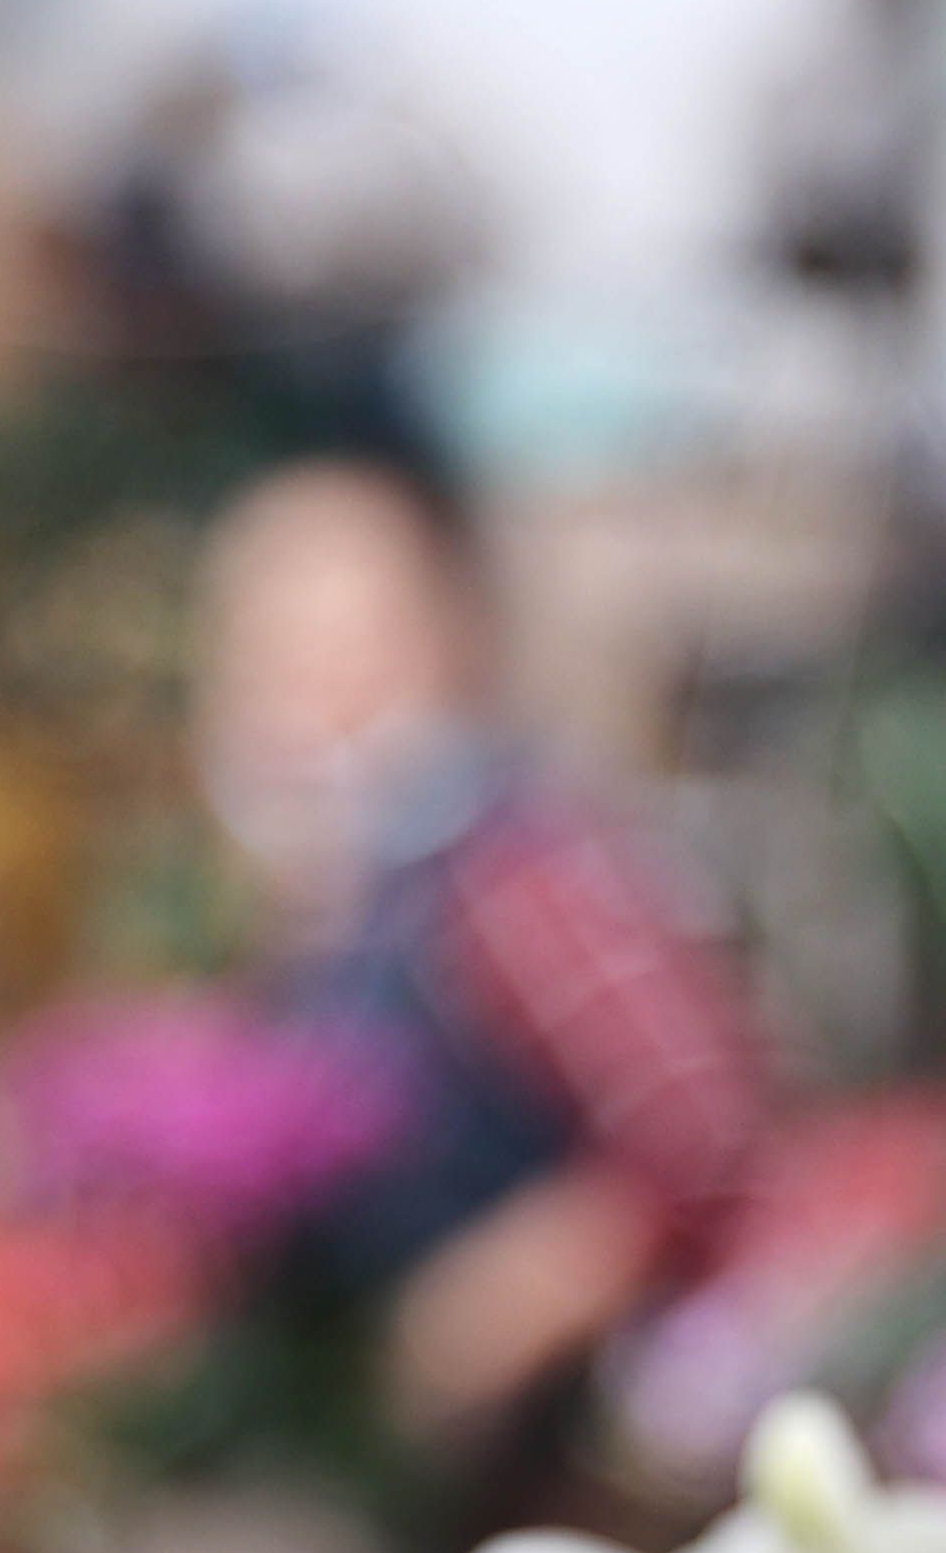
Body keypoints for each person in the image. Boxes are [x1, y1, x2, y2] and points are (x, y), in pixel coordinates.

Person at [190, 455, 768, 1469]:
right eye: (265, 644)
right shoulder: (313, 889)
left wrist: (528, 1285)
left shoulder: (514, 868)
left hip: (564, 1452)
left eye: (345, 641)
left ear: (447, 641)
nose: (303, 686)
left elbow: (704, 1131)